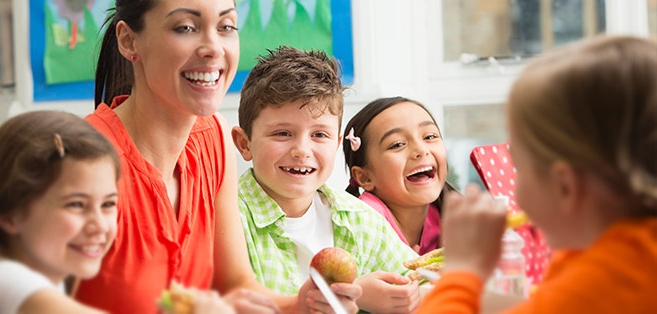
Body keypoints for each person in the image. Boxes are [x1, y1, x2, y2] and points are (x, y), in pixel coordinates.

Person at [75, 1, 356, 313]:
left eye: (226, 27)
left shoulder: (213, 136)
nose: (213, 48)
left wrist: (298, 305)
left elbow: (235, 286)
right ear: (129, 40)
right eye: (185, 28)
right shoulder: (81, 160)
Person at [418, 35, 657, 313]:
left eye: (518, 165)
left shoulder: (610, 278)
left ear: (565, 187)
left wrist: (462, 270)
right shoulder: (624, 252)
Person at [232, 46, 420, 314]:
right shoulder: (227, 220)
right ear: (244, 143)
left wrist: (412, 297)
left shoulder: (359, 219)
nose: (302, 150)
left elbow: (422, 284)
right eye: (283, 133)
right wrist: (358, 292)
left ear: (336, 144)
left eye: (319, 135)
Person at [0, 111, 119, 314]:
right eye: (76, 204)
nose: (100, 225)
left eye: (108, 204)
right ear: (10, 215)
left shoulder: (7, 269)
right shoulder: (6, 280)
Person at [342, 97, 458, 255]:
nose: (421, 150)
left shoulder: (442, 216)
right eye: (397, 144)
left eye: (430, 137)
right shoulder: (364, 221)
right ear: (364, 177)